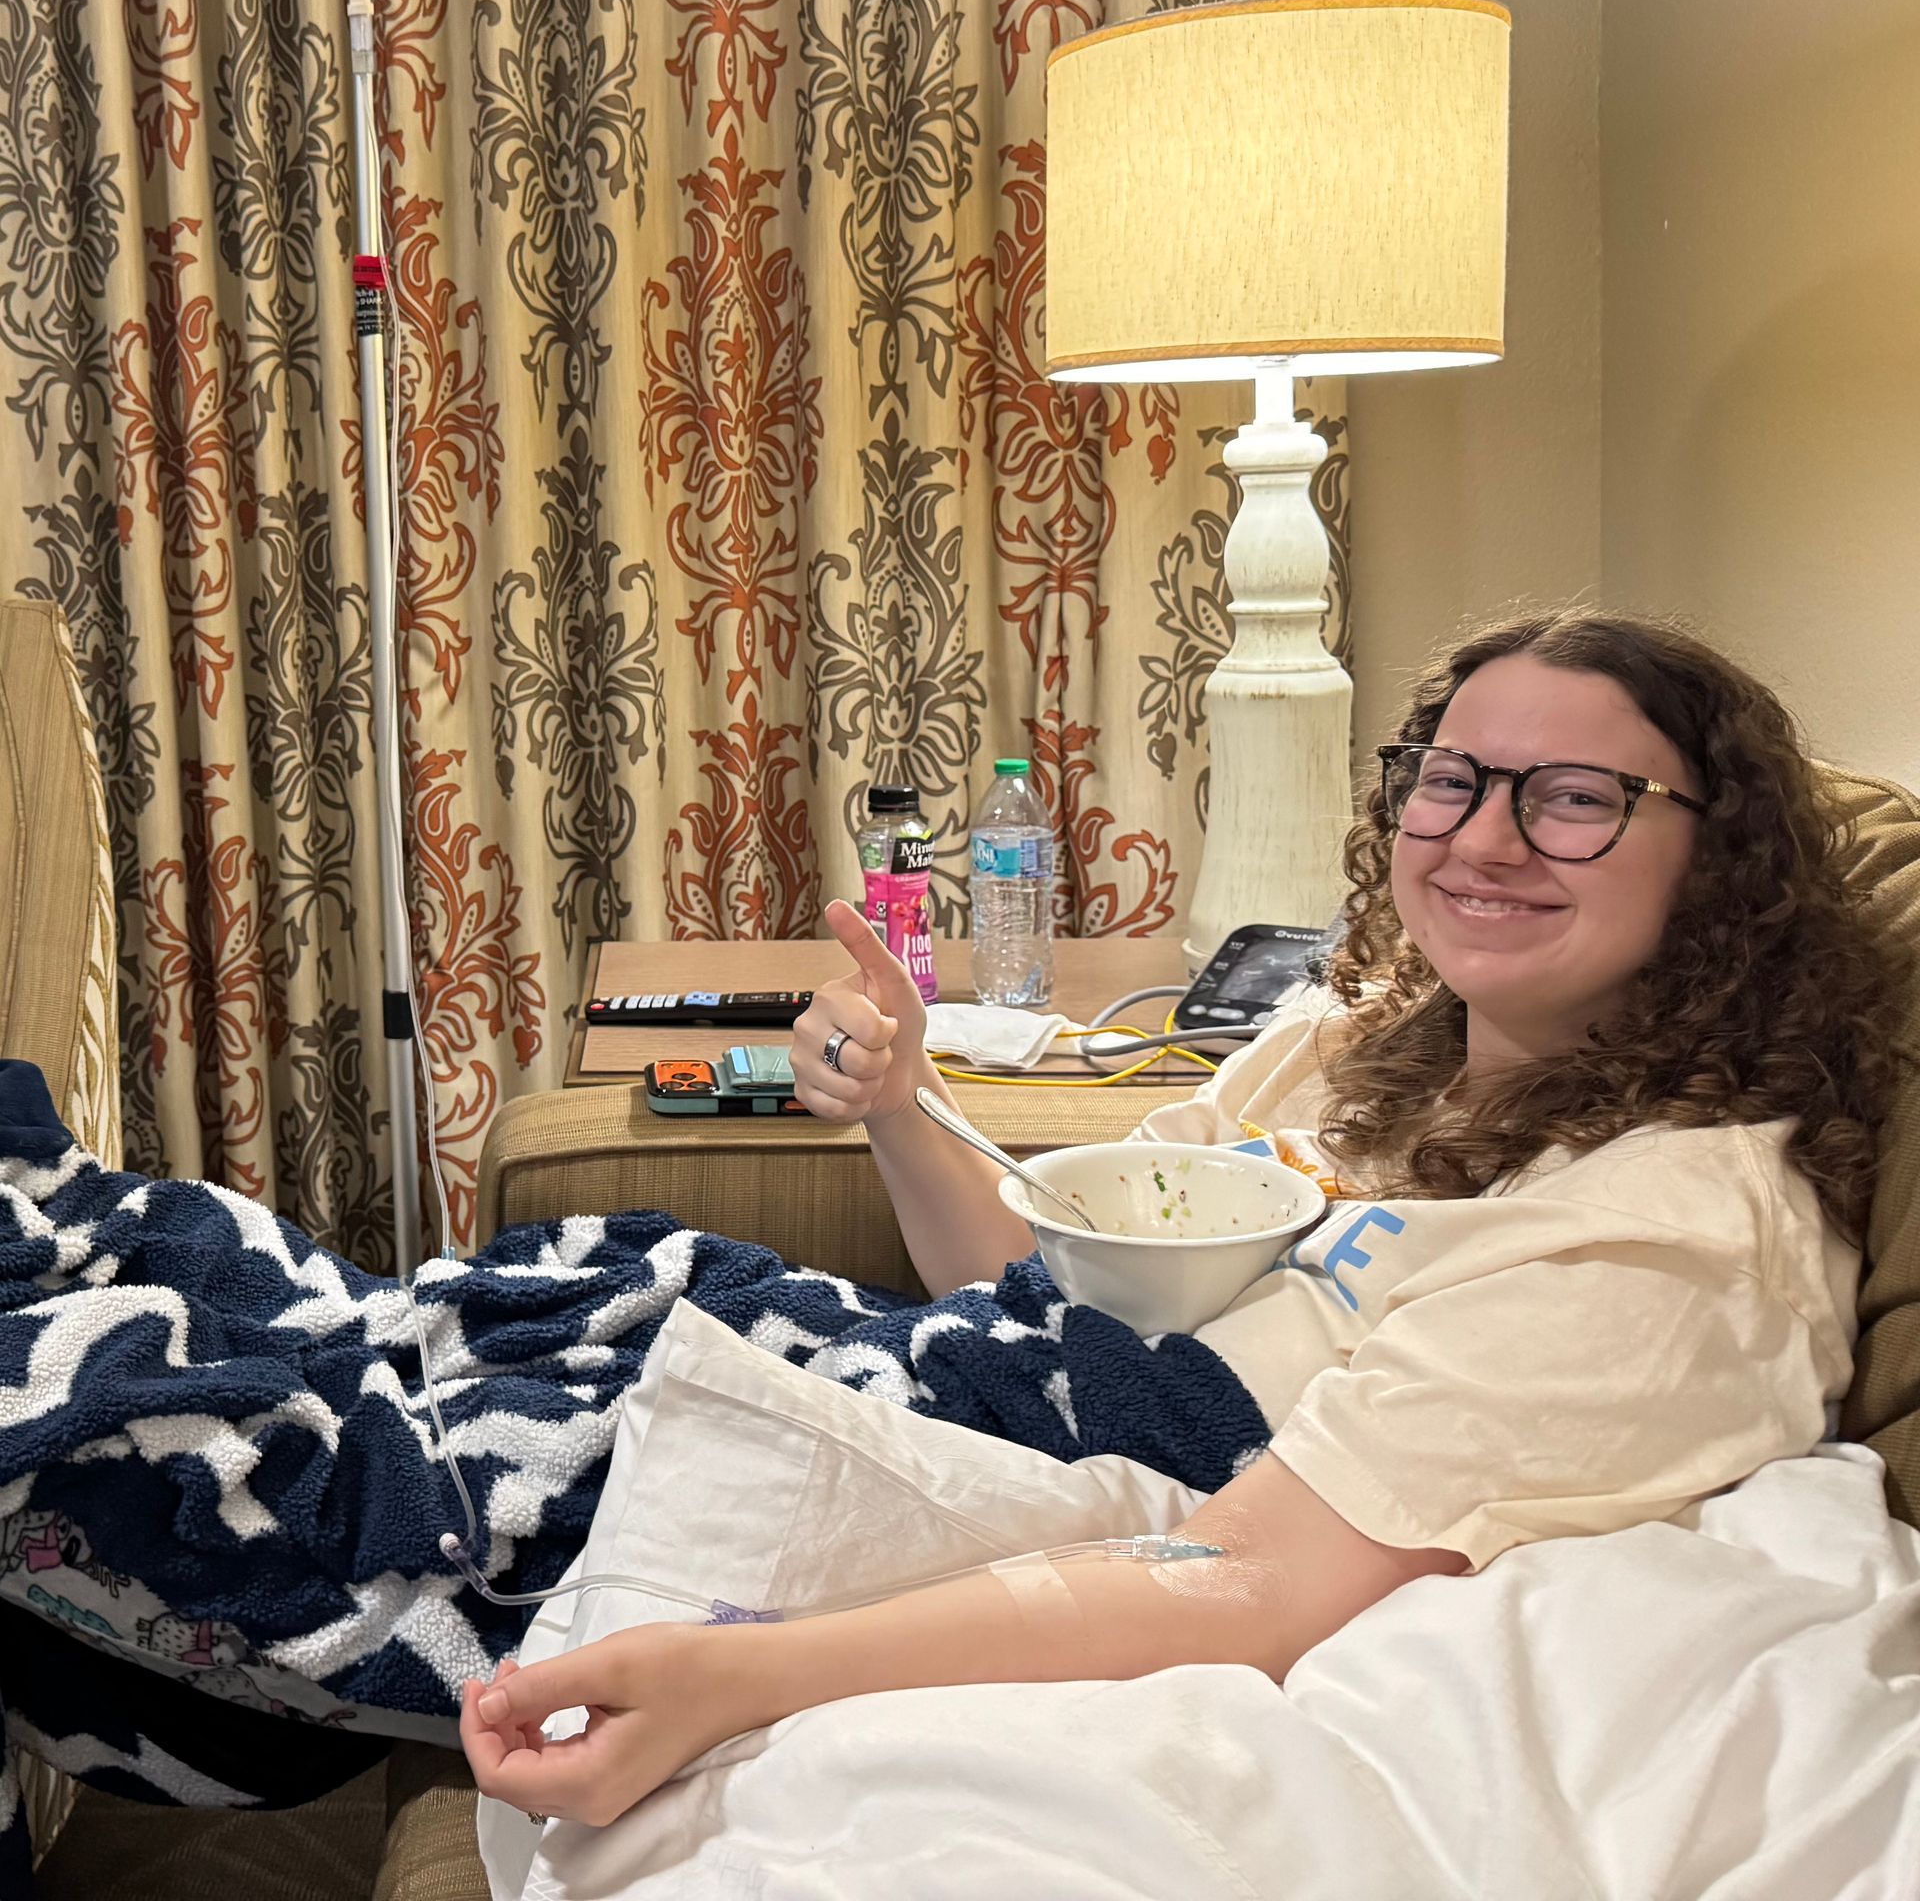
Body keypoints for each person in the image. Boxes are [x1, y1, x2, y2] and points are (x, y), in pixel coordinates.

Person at [460, 610, 1906, 1828]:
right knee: (401, 1322)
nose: (1485, 838)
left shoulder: (1668, 1244)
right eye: (1450, 778)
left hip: (1028, 1484)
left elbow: (1253, 1573)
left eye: (1577, 797)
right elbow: (1031, 1271)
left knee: (348, 1460)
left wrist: (744, 1669)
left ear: (1723, 867)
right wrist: (901, 1098)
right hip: (955, 1373)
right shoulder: (1351, 1043)